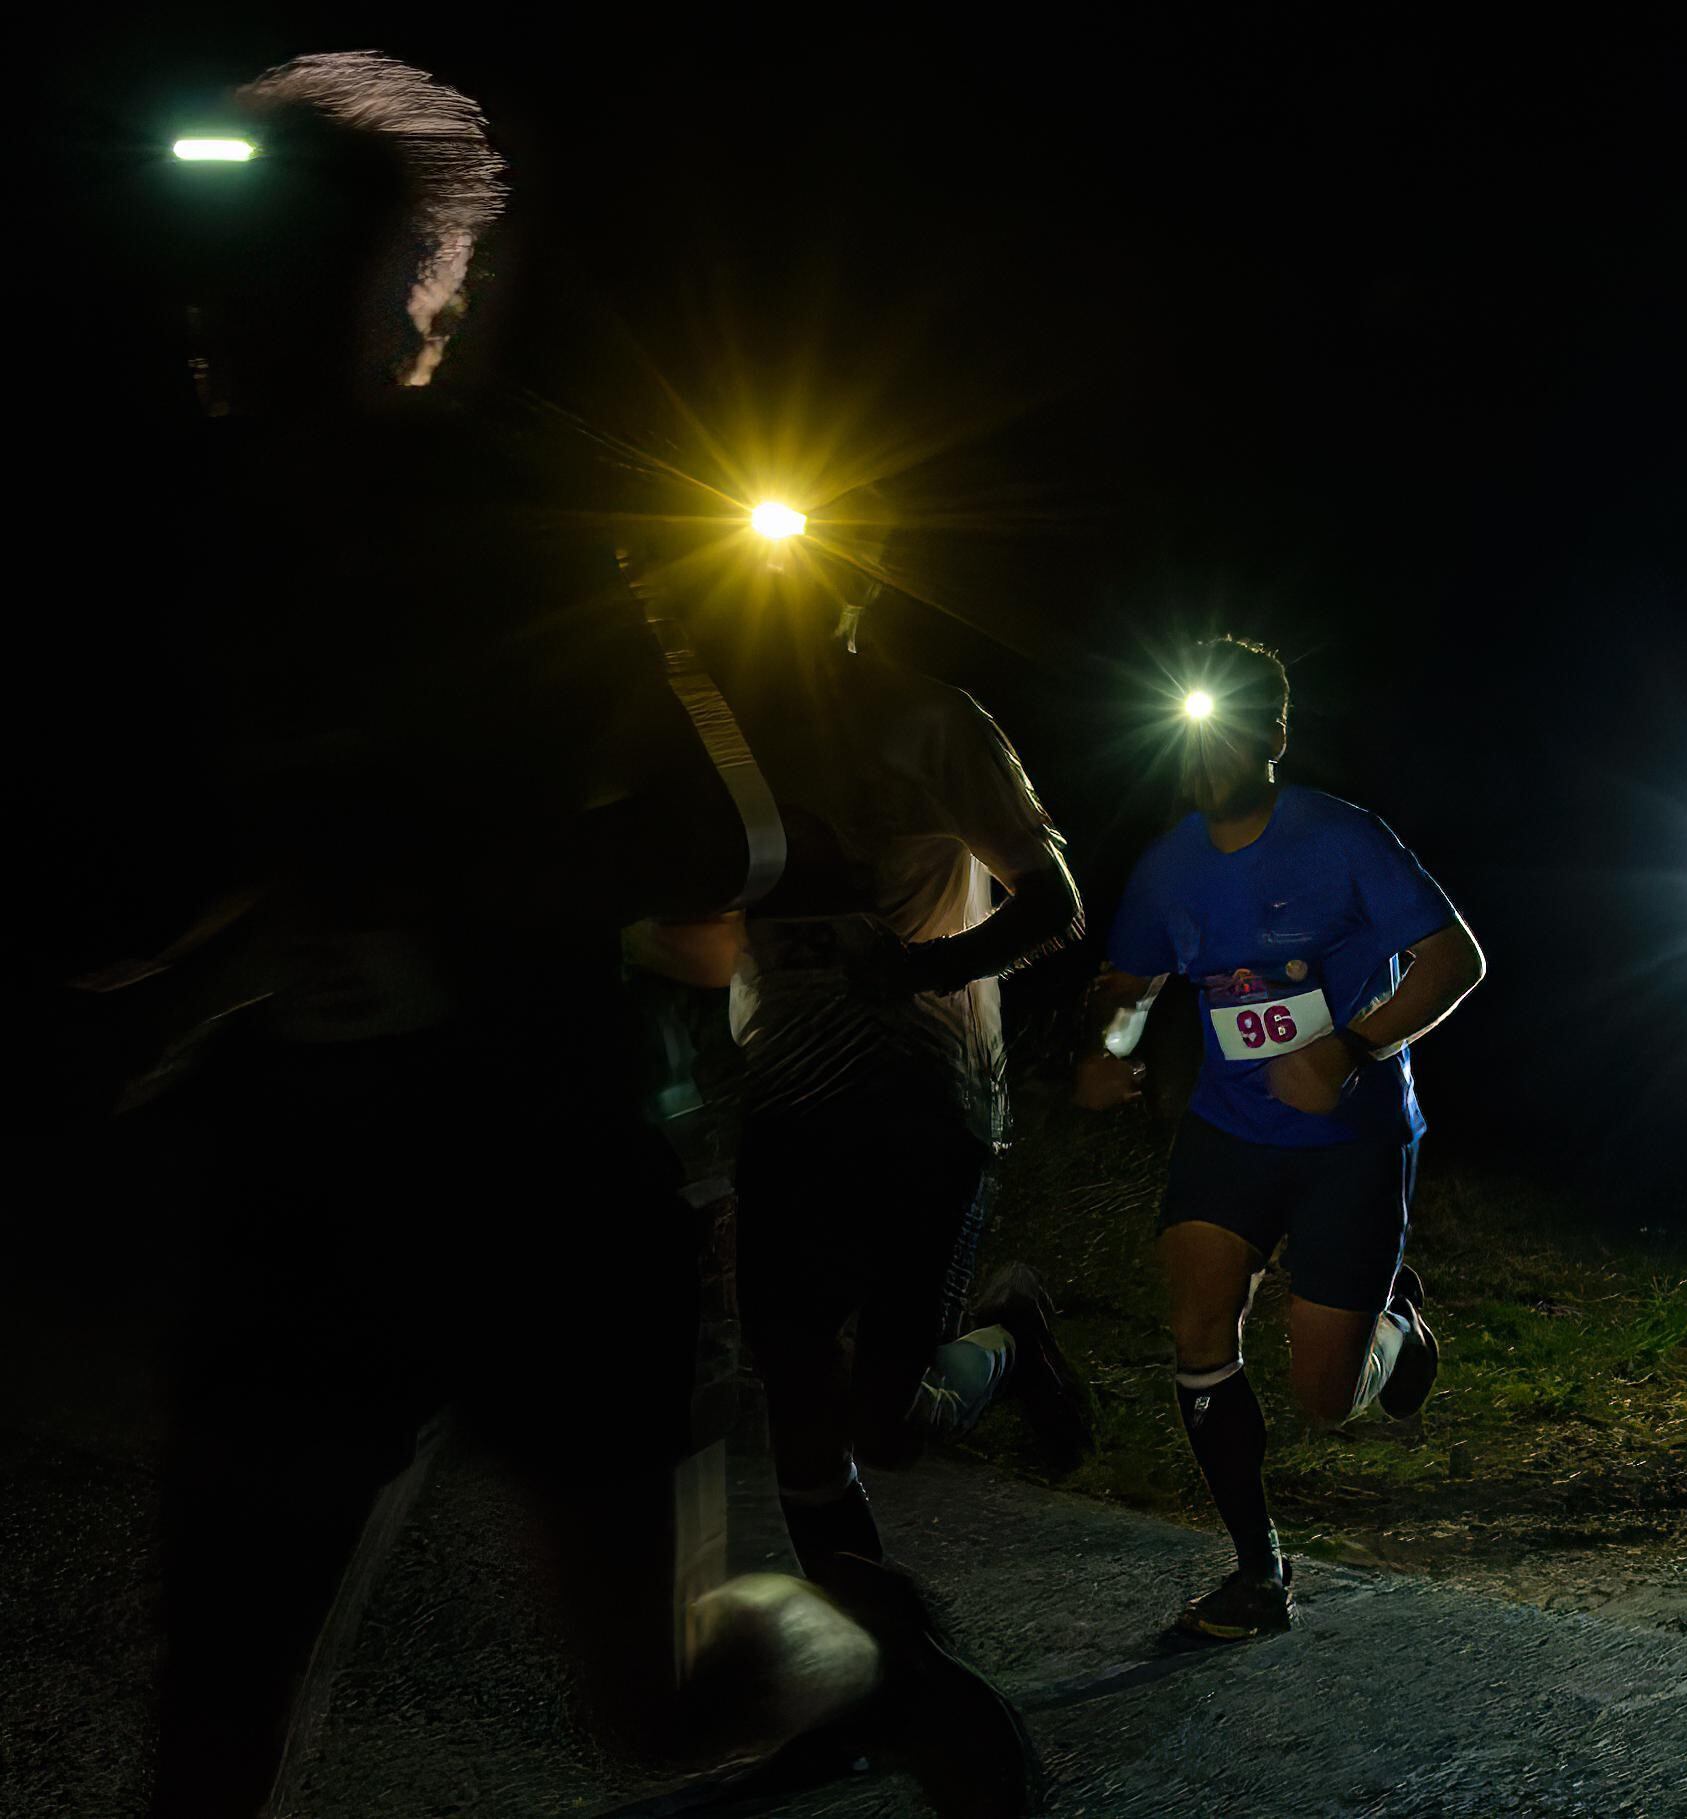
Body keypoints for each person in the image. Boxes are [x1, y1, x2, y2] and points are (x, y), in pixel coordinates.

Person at [110, 55, 1036, 1818]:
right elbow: (227, 853)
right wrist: (185, 968)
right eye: (229, 260)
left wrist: (442, 884)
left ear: (409, 290)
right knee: (207, 1721)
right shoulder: (202, 533)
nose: (237, 307)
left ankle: (873, 1661)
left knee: (660, 1698)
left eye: (308, 259)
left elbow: (732, 830)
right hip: (305, 1192)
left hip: (541, 1184)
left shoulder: (496, 518)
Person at [658, 557, 1092, 1585]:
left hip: (925, 1103)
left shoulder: (929, 722)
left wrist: (918, 970)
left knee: (888, 1423)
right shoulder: (718, 754)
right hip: (786, 1105)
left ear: (847, 607)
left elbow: (1052, 901)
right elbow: (712, 944)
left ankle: (1008, 1341)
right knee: (798, 1392)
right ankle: (871, 1657)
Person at [1073, 636, 1484, 1639]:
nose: (1198, 756)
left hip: (1352, 1141)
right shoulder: (1167, 866)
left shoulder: (1341, 838)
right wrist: (1107, 1046)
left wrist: (1348, 1047)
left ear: (1273, 736)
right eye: (1184, 735)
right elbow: (1128, 986)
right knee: (1199, 1332)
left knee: (1323, 1400)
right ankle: (1257, 1573)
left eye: (1220, 732)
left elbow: (1454, 959)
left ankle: (1399, 1328)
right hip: (1230, 1133)